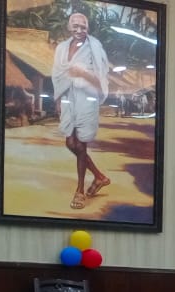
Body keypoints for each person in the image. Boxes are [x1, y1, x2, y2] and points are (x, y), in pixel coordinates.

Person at [51, 12, 111, 211]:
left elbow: (101, 80)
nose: (79, 30)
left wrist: (83, 73)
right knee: (70, 143)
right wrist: (58, 99)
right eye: (75, 26)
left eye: (83, 26)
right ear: (69, 27)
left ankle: (80, 191)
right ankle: (99, 176)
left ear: (88, 28)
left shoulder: (95, 48)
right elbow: (57, 75)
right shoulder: (61, 48)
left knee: (80, 144)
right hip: (68, 98)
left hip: (86, 99)